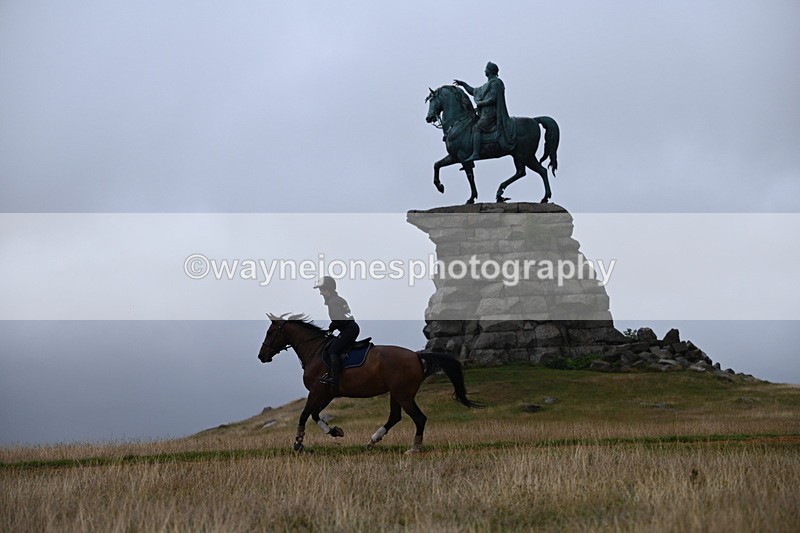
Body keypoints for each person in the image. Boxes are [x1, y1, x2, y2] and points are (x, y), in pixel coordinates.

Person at [453, 61, 516, 162]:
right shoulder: (487, 85)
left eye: (486, 69)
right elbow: (473, 91)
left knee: (477, 128)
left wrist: (480, 103)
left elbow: (493, 99)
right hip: (484, 113)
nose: (484, 71)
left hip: (491, 113)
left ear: (490, 71)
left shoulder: (496, 83)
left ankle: (475, 153)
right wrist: (463, 84)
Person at [314, 276, 359, 387]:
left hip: (348, 329)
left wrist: (330, 329)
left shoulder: (333, 302)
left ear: (327, 290)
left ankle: (335, 377)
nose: (320, 293)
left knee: (332, 349)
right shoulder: (338, 299)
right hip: (351, 328)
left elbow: (338, 320)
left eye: (321, 290)